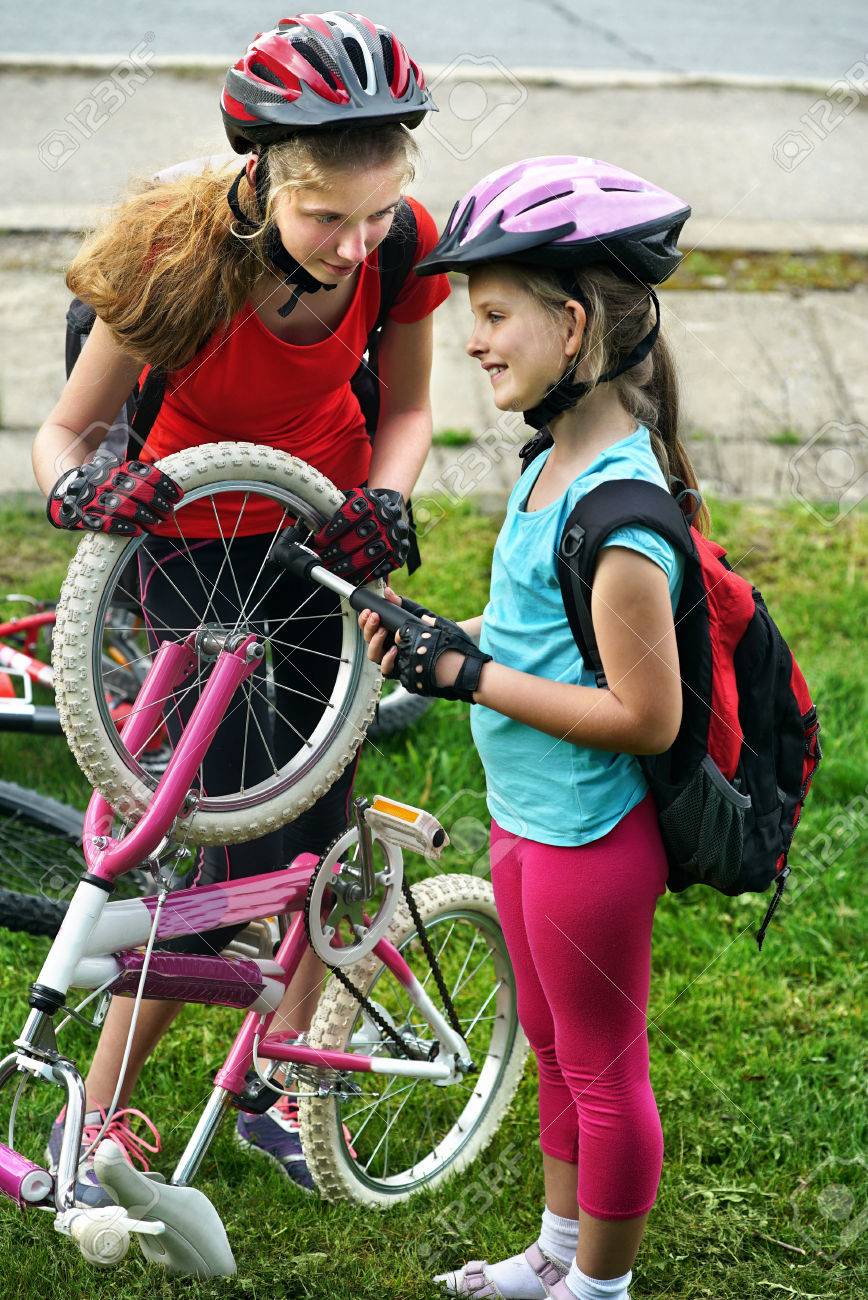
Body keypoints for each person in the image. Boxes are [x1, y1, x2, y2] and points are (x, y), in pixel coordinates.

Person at [31, 13, 450, 1203]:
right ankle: (94, 1120)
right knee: (224, 852)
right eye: (328, 218)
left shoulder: (402, 247)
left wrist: (384, 499)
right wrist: (80, 487)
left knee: (319, 825)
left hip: (324, 532)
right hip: (187, 547)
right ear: (261, 176)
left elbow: (407, 410)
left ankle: (279, 1075)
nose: (356, 245)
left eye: (377, 214)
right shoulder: (172, 256)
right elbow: (67, 430)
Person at [360, 156, 704, 1300]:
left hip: (588, 840)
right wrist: (442, 635)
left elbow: (644, 716)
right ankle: (555, 1253)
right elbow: (532, 637)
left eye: (495, 313)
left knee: (602, 1069)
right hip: (524, 820)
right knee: (552, 1048)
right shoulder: (549, 461)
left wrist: (465, 673)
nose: (473, 340)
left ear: (571, 326)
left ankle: (600, 1289)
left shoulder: (620, 520)